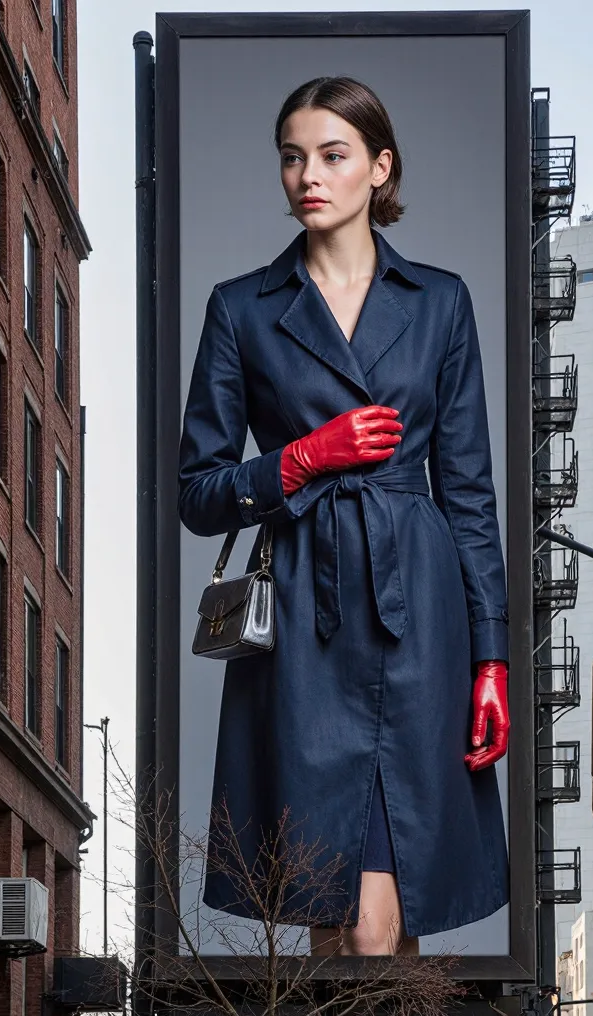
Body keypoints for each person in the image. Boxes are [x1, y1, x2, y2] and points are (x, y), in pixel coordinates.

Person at [178, 76, 510, 957]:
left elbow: (469, 495)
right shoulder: (240, 309)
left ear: (379, 167)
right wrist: (304, 458)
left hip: (419, 612)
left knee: (386, 906)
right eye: (293, 157)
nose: (308, 176)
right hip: (304, 616)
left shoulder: (441, 301)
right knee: (338, 906)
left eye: (332, 155)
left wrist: (492, 660)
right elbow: (199, 495)